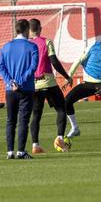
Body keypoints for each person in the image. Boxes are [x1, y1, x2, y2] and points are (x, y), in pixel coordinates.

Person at [27, 18, 73, 154]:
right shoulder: (46, 42)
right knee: (61, 109)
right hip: (48, 82)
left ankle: (35, 145)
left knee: (36, 115)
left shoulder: (26, 44)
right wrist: (67, 76)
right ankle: (60, 138)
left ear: (29, 30)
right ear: (40, 29)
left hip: (33, 85)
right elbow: (54, 62)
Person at [0, 18, 39, 160]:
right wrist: (20, 82)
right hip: (26, 88)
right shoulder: (32, 47)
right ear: (27, 30)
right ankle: (21, 151)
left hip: (10, 90)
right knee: (23, 121)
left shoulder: (6, 47)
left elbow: (1, 67)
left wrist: (10, 82)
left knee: (10, 120)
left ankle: (10, 152)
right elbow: (33, 67)